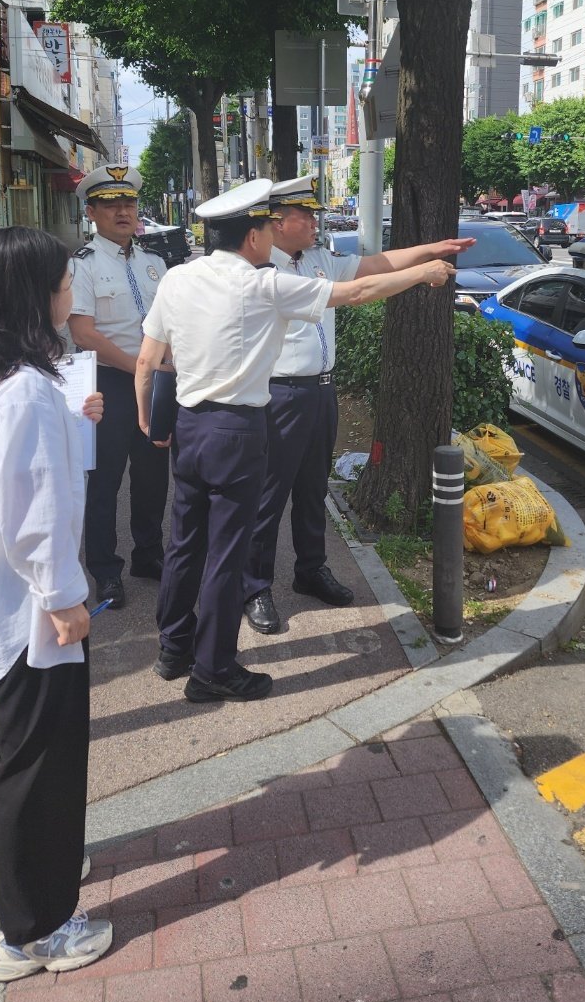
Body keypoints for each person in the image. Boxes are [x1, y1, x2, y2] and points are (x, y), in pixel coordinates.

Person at [135, 178, 455, 705]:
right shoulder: (262, 284)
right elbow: (356, 292)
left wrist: (150, 423)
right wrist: (425, 273)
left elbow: (147, 363)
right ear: (256, 234)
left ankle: (174, 649)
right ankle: (213, 669)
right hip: (238, 431)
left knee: (186, 541)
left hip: (190, 426)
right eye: (266, 225)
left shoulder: (177, 278)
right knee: (226, 554)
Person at [0, 227, 111, 982]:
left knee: (11, 753)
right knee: (42, 763)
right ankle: (34, 930)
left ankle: (7, 876)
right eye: (65, 281)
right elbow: (34, 513)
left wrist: (76, 423)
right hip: (33, 610)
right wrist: (67, 599)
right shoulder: (28, 389)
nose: (72, 292)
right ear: (37, 294)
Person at [241, 176, 476, 634]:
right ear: (276, 221)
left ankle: (310, 569)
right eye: (304, 214)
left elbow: (372, 264)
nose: (314, 220)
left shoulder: (314, 258)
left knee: (313, 489)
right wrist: (421, 274)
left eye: (314, 213)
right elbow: (362, 292)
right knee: (268, 495)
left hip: (320, 391)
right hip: (279, 393)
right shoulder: (260, 270)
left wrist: (431, 249)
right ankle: (254, 586)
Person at [69, 164, 169, 608]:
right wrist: (139, 367)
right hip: (108, 382)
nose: (123, 212)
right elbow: (82, 333)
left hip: (153, 383)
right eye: (112, 205)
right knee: (104, 481)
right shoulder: (82, 265)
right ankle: (106, 571)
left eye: (128, 203)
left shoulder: (155, 262)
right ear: (92, 212)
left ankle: (149, 555)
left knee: (152, 476)